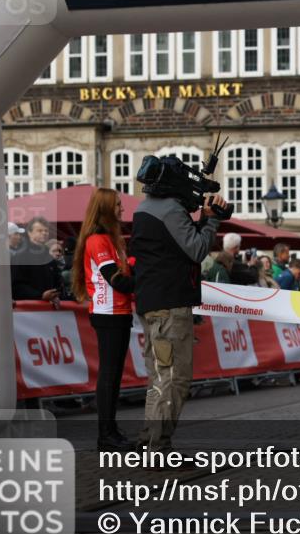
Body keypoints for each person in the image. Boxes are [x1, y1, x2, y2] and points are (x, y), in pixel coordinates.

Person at [130, 176, 229, 452]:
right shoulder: (171, 210)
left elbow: (176, 248)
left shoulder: (143, 208)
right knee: (175, 378)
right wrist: (211, 221)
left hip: (151, 304)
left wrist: (199, 220)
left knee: (159, 377)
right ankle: (157, 447)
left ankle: (149, 440)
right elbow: (197, 250)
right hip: (169, 307)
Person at [72, 188, 135, 451]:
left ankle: (110, 430)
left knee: (114, 375)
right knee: (109, 375)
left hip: (119, 312)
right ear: (107, 208)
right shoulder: (97, 240)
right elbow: (117, 280)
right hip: (108, 313)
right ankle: (105, 435)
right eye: (118, 205)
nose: (122, 209)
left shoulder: (112, 239)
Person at [11, 216, 62, 305]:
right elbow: (16, 286)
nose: (44, 233)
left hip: (50, 310)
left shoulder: (48, 256)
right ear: (30, 233)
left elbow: (57, 280)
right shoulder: (20, 255)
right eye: (39, 230)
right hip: (29, 310)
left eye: (46, 230)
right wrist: (40, 295)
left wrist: (56, 294)